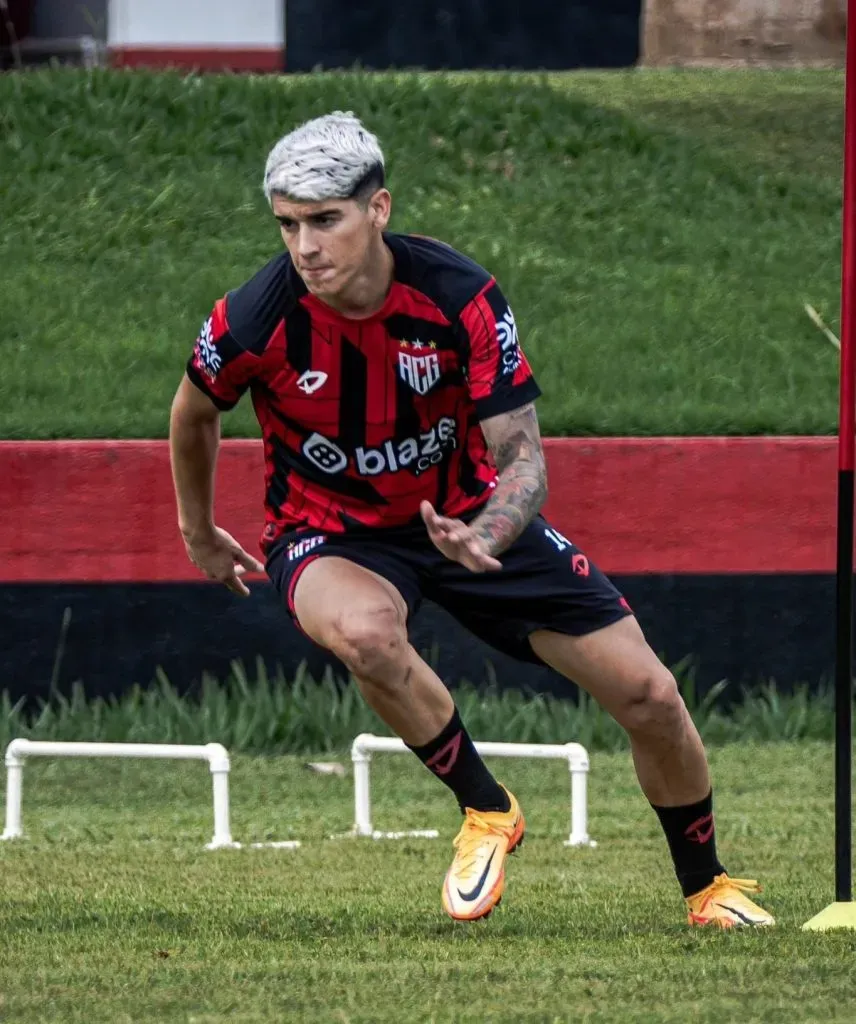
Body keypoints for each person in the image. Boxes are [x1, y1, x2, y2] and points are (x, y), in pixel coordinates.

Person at [169, 111, 774, 928]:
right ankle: (488, 810)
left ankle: (708, 888)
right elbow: (194, 412)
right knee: (365, 634)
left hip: (468, 516)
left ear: (378, 209)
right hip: (330, 533)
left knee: (650, 696)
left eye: (325, 220)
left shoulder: (461, 297)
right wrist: (198, 531)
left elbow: (523, 458)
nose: (305, 247)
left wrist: (483, 534)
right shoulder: (253, 317)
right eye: (287, 225)